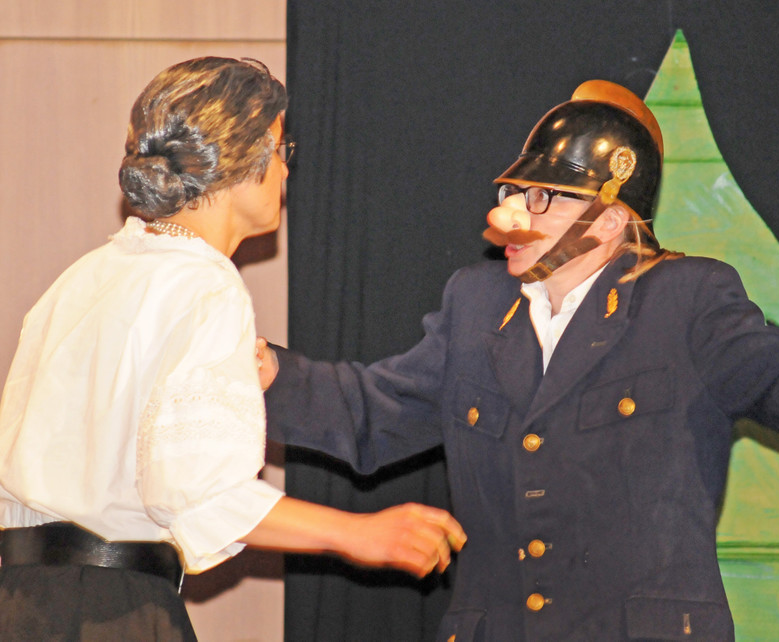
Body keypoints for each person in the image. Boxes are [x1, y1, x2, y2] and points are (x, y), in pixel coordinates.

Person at [256, 80, 779, 641]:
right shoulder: (476, 304)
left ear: (611, 220)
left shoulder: (687, 298)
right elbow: (373, 412)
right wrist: (260, 373)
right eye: (516, 190)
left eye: (544, 198)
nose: (512, 214)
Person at [0, 57, 465, 641]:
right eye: (281, 149)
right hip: (110, 613)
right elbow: (200, 493)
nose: (286, 169)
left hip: (19, 603)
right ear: (242, 158)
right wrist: (359, 532)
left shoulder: (82, 276)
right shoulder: (205, 284)